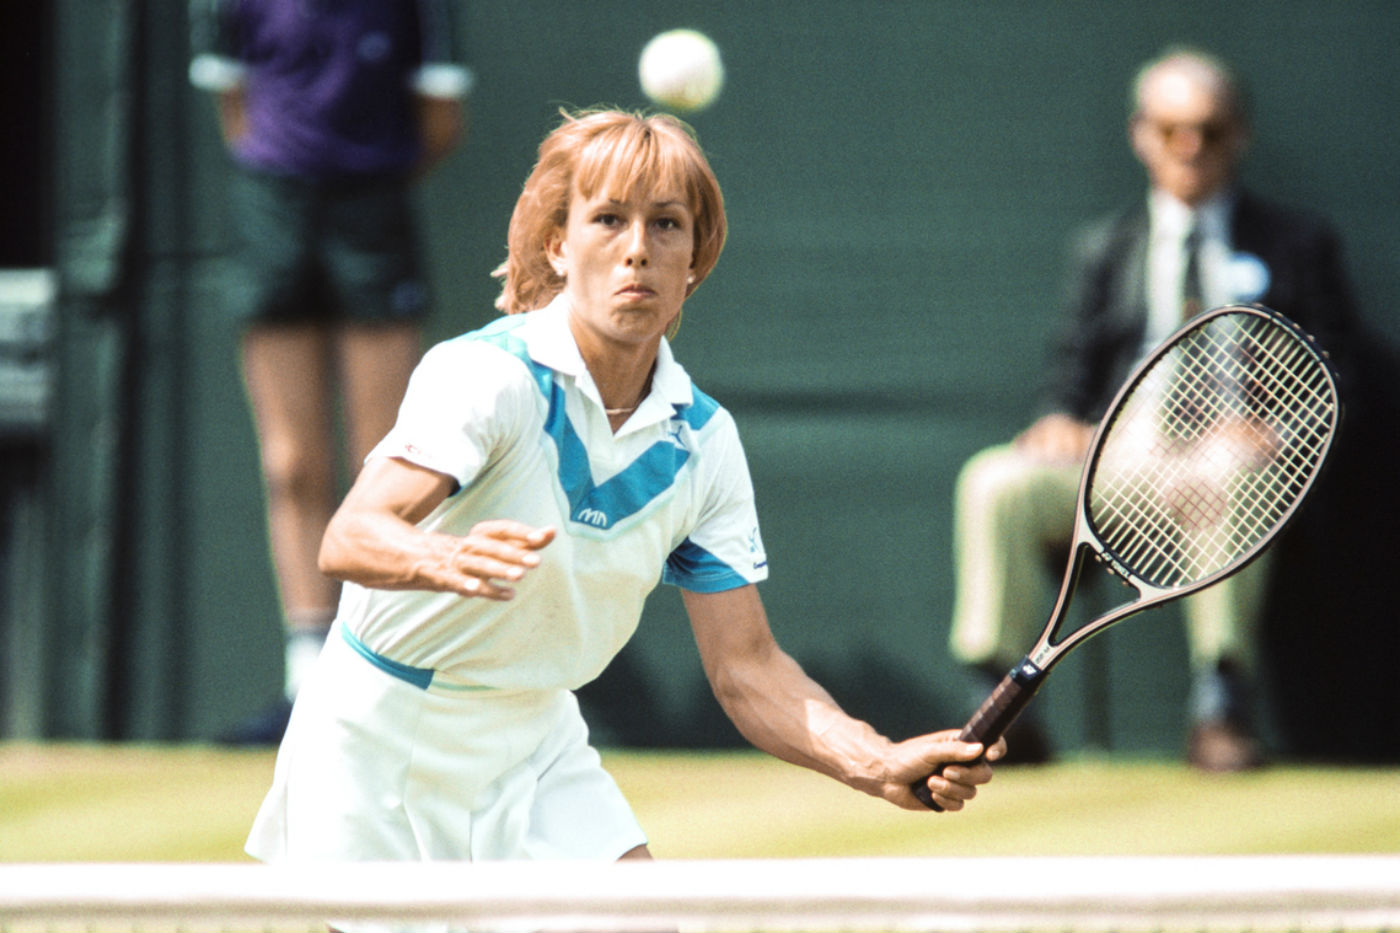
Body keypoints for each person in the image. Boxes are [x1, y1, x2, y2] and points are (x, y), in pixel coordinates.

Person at [246, 109, 1004, 877]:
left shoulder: (704, 442)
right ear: (559, 245)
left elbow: (746, 667)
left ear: (693, 262)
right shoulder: (487, 377)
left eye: (666, 225)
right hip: (378, 737)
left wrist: (875, 759)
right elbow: (350, 536)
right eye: (608, 219)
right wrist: (442, 557)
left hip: (534, 740)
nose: (637, 249)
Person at [947, 48, 1359, 772]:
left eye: (1209, 129)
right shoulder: (1105, 248)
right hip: (1122, 467)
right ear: (1142, 135)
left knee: (1235, 478)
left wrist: (1274, 434)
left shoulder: (1299, 244)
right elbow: (1071, 373)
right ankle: (1001, 708)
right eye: (1171, 130)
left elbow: (1337, 376)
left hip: (1240, 474)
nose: (1190, 148)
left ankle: (1220, 706)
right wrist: (1061, 418)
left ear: (1240, 136)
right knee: (995, 481)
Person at [187, 0, 475, 743]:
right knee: (291, 463)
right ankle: (306, 681)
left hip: (372, 212)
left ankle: (382, 670)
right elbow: (236, 109)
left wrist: (361, 175)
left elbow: (438, 125)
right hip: (272, 211)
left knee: (387, 460)